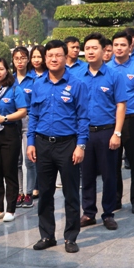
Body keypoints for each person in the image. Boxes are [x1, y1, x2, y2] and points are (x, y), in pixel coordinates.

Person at [26, 39, 89, 253]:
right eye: (50, 55)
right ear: (45, 58)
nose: (54, 59)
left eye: (58, 55)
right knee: (45, 193)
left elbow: (83, 117)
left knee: (71, 193)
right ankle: (47, 235)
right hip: (43, 144)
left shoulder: (77, 84)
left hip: (68, 145)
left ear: (65, 57)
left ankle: (70, 237)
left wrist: (81, 145)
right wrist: (31, 142)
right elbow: (33, 115)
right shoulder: (38, 84)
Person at [79, 33, 126, 230]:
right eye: (87, 48)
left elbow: (121, 105)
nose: (91, 51)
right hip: (85, 133)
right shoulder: (78, 76)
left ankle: (108, 213)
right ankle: (88, 213)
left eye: (94, 48)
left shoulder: (114, 76)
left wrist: (117, 133)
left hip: (107, 131)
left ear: (103, 50)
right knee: (87, 175)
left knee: (109, 175)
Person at [109, 31, 134, 214]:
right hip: (111, 121)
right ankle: (116, 199)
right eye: (116, 45)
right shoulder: (106, 68)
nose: (119, 48)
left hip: (133, 119)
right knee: (113, 163)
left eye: (123, 45)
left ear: (130, 47)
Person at [0, 58, 27, 222]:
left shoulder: (14, 89)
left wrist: (5, 118)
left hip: (9, 132)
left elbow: (22, 111)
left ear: (6, 71)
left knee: (9, 171)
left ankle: (10, 209)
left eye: (1, 69)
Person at [13, 47, 36, 207]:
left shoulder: (34, 79)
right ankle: (19, 193)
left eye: (23, 58)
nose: (20, 61)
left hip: (28, 121)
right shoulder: (10, 79)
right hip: (13, 121)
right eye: (16, 58)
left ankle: (29, 192)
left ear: (28, 60)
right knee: (17, 160)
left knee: (29, 160)